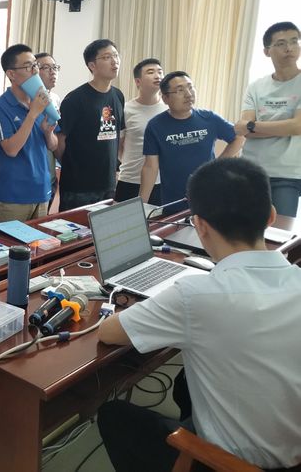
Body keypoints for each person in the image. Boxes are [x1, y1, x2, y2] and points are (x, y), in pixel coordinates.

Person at [97, 157, 301, 472]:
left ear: (200, 225)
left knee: (114, 416)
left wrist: (157, 304)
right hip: (292, 449)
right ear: (271, 216)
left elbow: (108, 333)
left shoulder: (195, 296)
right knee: (184, 381)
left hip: (232, 465)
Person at [139, 71, 242, 206]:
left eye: (190, 87)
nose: (188, 94)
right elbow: (150, 167)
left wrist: (217, 165)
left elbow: (239, 137)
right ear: (165, 98)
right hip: (174, 201)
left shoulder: (209, 118)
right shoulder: (155, 126)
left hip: (209, 197)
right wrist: (141, 204)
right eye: (180, 90)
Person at [235, 21, 301, 217]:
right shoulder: (256, 86)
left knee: (280, 230)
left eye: (294, 41)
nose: (289, 48)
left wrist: (253, 126)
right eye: (281, 43)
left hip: (287, 173)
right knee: (246, 227)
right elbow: (244, 130)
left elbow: (297, 126)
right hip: (251, 170)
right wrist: (283, 126)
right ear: (267, 51)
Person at [0, 44, 57, 222]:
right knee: (8, 241)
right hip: (14, 196)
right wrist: (33, 114)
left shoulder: (41, 101)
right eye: (28, 66)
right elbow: (11, 149)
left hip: (42, 191)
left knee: (40, 241)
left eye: (35, 65)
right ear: (11, 74)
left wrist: (48, 133)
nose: (35, 71)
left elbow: (53, 145)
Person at [55, 39, 125, 211]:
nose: (114, 61)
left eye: (116, 56)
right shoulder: (75, 99)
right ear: (92, 65)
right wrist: (73, 166)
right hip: (78, 187)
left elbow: (117, 137)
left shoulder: (118, 96)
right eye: (107, 57)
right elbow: (60, 140)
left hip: (107, 184)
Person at [115, 58, 167, 204]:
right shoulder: (126, 109)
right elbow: (119, 145)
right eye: (151, 72)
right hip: (130, 179)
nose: (157, 76)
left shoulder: (169, 109)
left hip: (161, 181)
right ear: (138, 81)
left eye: (160, 72)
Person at [36, 52, 62, 207]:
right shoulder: (27, 101)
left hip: (50, 175)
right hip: (32, 177)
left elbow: (54, 143)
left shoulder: (56, 99)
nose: (53, 72)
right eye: (46, 68)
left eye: (55, 67)